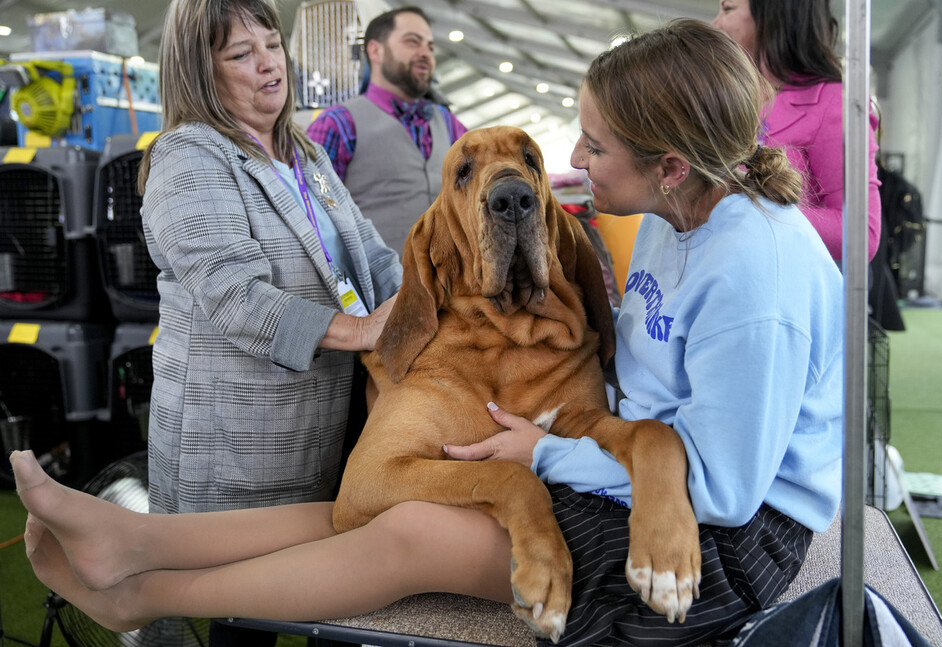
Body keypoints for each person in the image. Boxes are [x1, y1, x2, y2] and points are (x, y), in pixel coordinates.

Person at [12, 19, 843, 647]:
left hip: (722, 533)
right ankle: (139, 538)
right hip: (629, 470)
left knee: (406, 529)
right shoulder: (666, 216)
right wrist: (420, 339)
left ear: (670, 165)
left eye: (593, 145)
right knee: (363, 504)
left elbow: (722, 486)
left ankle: (143, 594)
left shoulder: (753, 274)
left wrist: (541, 454)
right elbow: (638, 390)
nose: (575, 162)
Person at [137, 0, 401, 643]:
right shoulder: (188, 157)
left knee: (315, 600)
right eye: (240, 54)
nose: (268, 66)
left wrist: (433, 301)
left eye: (272, 45)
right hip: (233, 449)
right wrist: (362, 332)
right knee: (241, 617)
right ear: (200, 73)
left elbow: (372, 259)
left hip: (316, 434)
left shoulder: (304, 157)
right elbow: (236, 297)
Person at [714, 0, 882, 264]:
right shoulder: (741, 97)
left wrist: (751, 210)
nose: (716, 24)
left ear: (772, 13)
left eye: (727, 9)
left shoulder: (835, 102)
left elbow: (861, 237)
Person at [306, 6, 467, 255]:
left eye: (431, 47)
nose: (426, 53)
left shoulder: (447, 122)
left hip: (454, 286)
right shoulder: (337, 124)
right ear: (375, 50)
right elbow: (311, 217)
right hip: (381, 290)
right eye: (413, 42)